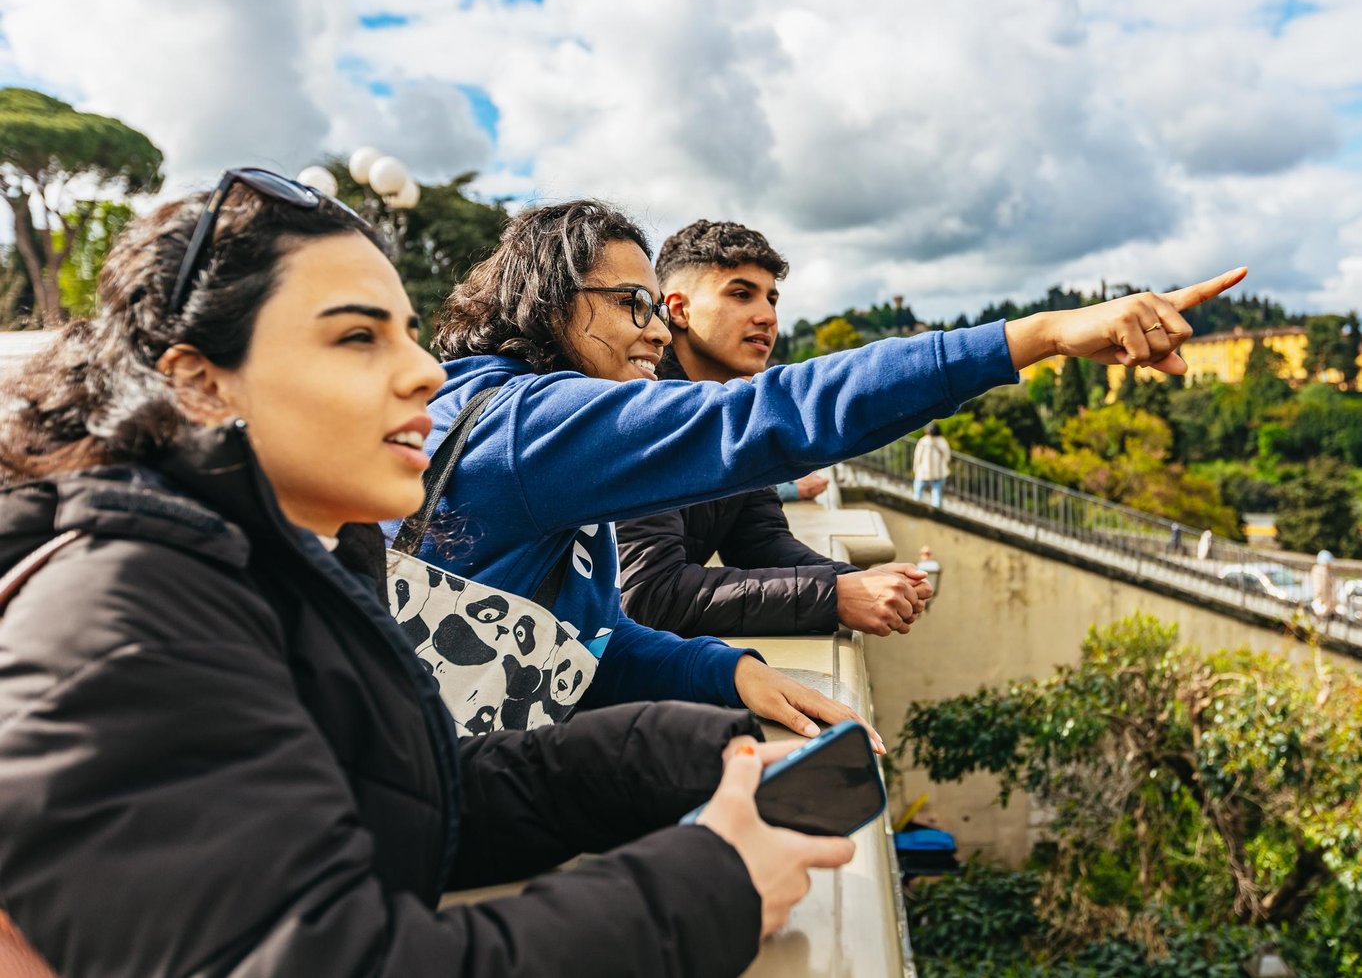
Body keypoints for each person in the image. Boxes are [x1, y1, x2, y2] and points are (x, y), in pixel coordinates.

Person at [0, 171, 852, 977]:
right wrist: (714, 886)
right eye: (358, 337)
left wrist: (675, 751)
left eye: (408, 332)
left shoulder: (296, 562)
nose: (425, 373)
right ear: (201, 384)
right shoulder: (119, 624)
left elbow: (405, 806)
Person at [411, 198, 1242, 744]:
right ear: (553, 299)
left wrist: (727, 670)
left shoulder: (518, 417)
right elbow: (778, 419)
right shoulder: (534, 423)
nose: (656, 333)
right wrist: (1038, 336)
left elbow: (580, 637)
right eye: (634, 304)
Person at [617, 218, 934, 639]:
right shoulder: (643, 411)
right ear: (678, 309)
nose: (766, 316)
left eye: (772, 299)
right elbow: (647, 594)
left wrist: (859, 581)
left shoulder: (739, 410)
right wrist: (835, 594)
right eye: (741, 294)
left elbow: (759, 542)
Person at [912, 423, 952, 508]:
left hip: (923, 471)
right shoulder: (942, 441)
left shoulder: (923, 441)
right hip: (939, 471)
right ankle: (935, 511)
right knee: (936, 493)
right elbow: (947, 456)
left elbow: (917, 457)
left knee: (918, 491)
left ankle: (915, 506)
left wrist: (915, 467)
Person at [1312, 549, 1337, 617]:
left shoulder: (1316, 569)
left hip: (1320, 599)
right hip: (1323, 601)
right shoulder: (1323, 571)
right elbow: (1322, 588)